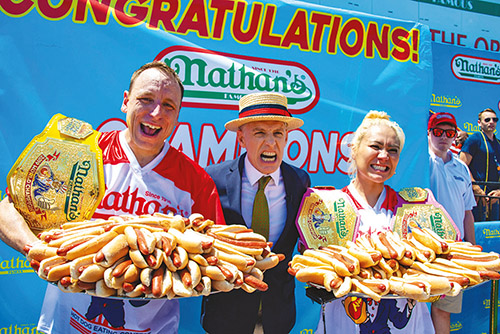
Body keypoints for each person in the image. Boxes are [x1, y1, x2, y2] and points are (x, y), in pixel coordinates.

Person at [0, 61, 225, 334]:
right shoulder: (81, 155)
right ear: (125, 102)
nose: (156, 113)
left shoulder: (196, 182)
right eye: (146, 99)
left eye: (168, 105)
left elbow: (215, 253)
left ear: (177, 115)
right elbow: (8, 208)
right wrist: (35, 249)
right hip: (67, 324)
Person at [315, 111, 435, 334]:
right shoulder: (327, 206)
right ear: (354, 149)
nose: (383, 156)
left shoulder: (414, 208)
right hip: (345, 318)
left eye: (392, 150)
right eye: (375, 146)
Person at [200, 92, 311, 334]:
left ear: (286, 137)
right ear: (241, 138)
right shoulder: (213, 179)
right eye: (260, 133)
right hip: (225, 316)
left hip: (278, 317)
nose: (270, 143)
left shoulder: (300, 181)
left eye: (277, 134)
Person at [427, 112, 476, 334]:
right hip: (420, 251)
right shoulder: (421, 162)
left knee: (442, 311)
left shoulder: (462, 168)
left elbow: (468, 213)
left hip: (453, 253)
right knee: (412, 309)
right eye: (438, 131)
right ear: (429, 134)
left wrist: (472, 250)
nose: (443, 137)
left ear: (455, 136)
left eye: (449, 133)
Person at [460, 108, 500, 221]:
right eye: (487, 120)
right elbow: (462, 166)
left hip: (495, 200)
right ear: (479, 123)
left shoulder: (498, 143)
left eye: (494, 119)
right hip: (476, 197)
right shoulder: (474, 139)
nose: (491, 122)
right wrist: (475, 187)